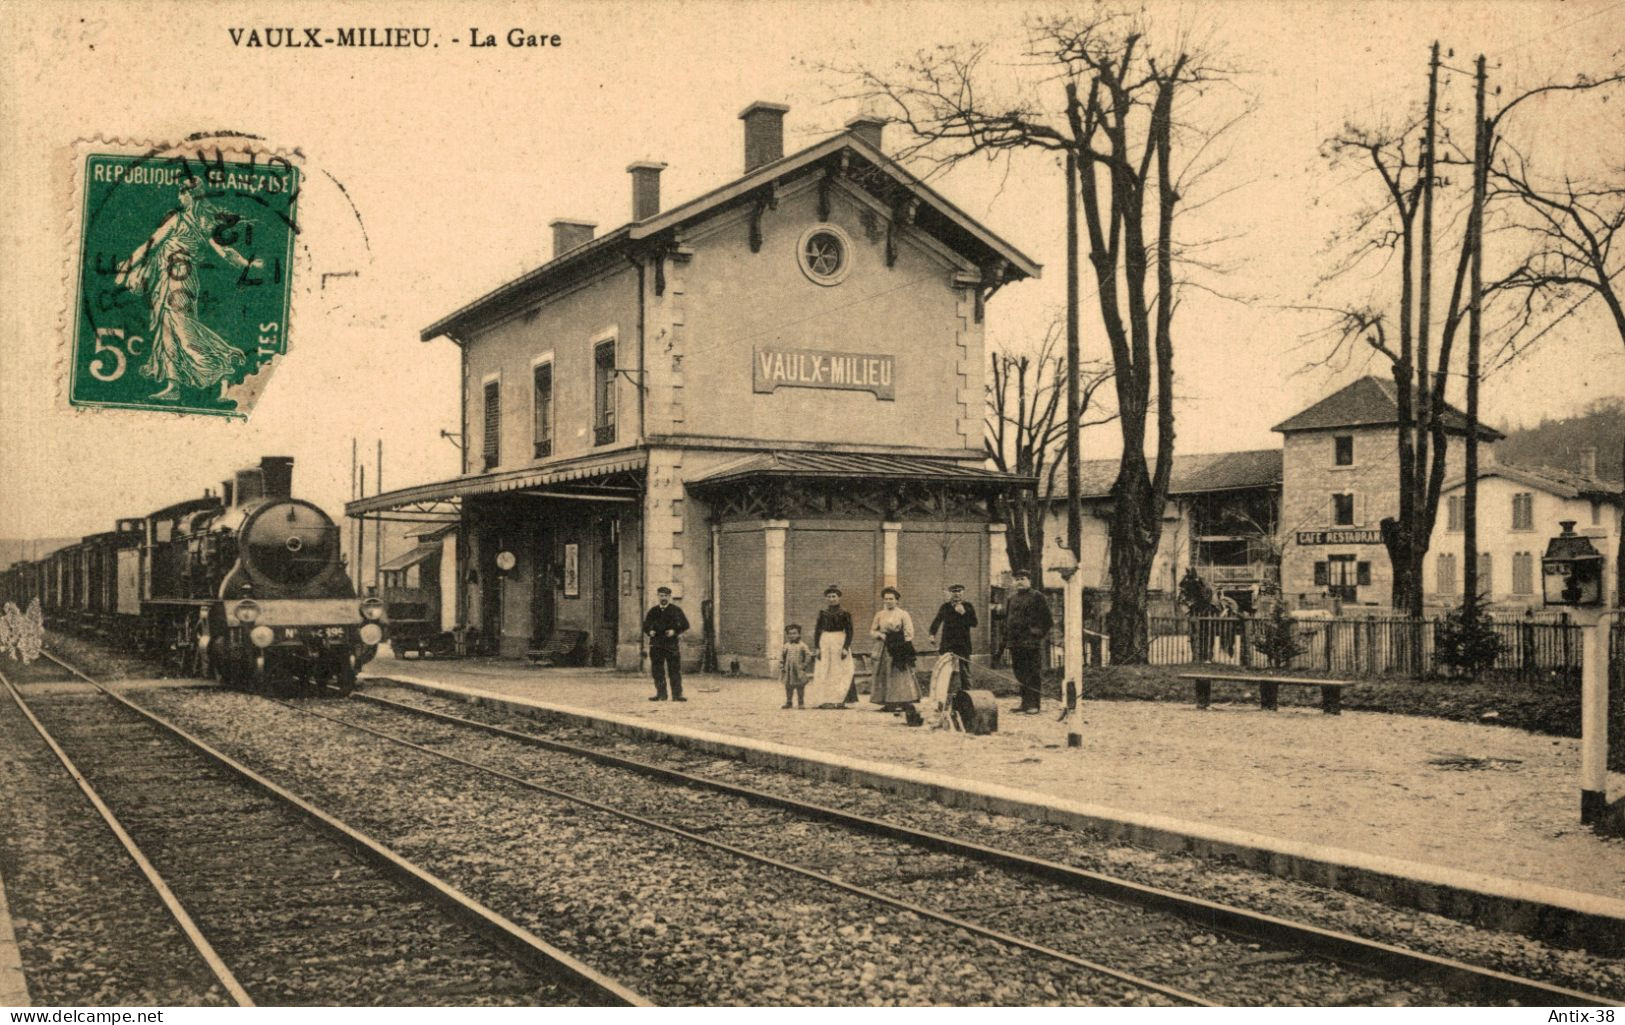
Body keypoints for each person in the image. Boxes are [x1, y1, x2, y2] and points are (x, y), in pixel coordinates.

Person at [117, 176, 259, 400]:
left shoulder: (203, 223)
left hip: (183, 279)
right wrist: (128, 264)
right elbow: (151, 244)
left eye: (182, 192)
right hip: (165, 278)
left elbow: (225, 251)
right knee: (168, 332)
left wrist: (247, 264)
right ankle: (173, 386)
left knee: (183, 330)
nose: (179, 196)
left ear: (192, 195)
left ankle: (225, 361)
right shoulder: (178, 219)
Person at [1004, 570, 1052, 714]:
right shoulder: (1011, 599)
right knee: (1020, 673)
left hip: (1030, 642)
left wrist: (1036, 633)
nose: (1019, 581)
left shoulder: (1037, 597)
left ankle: (1034, 705)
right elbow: (1008, 620)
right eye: (1017, 579)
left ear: (1029, 581)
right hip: (1015, 643)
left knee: (1032, 673)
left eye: (1022, 578)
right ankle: (1024, 703)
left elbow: (1047, 620)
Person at [868, 586, 919, 712]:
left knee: (900, 673)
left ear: (897, 600)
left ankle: (904, 701)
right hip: (884, 647)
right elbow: (872, 631)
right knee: (885, 673)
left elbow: (909, 632)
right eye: (886, 599)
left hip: (899, 647)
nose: (888, 601)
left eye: (891, 599)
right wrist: (880, 635)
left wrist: (901, 645)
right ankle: (888, 702)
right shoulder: (880, 615)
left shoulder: (903, 614)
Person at [806, 585, 855, 707]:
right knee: (824, 669)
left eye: (834, 596)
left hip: (839, 641)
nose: (831, 599)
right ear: (826, 598)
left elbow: (849, 631)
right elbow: (817, 630)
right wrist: (817, 647)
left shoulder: (845, 613)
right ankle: (824, 699)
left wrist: (845, 647)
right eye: (829, 597)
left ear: (839, 598)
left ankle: (839, 700)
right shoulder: (823, 613)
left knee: (840, 670)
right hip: (825, 641)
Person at [642, 586, 689, 701]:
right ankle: (661, 694)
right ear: (658, 596)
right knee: (657, 670)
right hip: (656, 644)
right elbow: (645, 625)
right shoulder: (653, 611)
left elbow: (685, 624)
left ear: (669, 597)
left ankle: (677, 695)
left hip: (671, 645)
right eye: (661, 595)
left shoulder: (676, 610)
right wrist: (650, 631)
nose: (663, 598)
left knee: (674, 670)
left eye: (666, 596)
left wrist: (675, 631)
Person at [928, 583, 978, 692]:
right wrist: (932, 634)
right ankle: (944, 695)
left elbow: (974, 623)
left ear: (963, 593)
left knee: (965, 670)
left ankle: (967, 694)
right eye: (954, 591)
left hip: (963, 643)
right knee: (945, 670)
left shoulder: (968, 606)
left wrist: (964, 613)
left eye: (959, 591)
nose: (957, 594)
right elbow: (937, 621)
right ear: (950, 593)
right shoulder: (945, 607)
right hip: (948, 643)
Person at [777, 624, 813, 709]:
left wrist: (804, 665)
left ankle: (801, 702)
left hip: (798, 670)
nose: (792, 636)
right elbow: (782, 656)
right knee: (788, 687)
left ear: (799, 634)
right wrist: (782, 666)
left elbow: (808, 655)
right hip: (788, 670)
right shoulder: (786, 646)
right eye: (790, 634)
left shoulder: (802, 645)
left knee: (800, 687)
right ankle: (789, 702)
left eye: (794, 633)